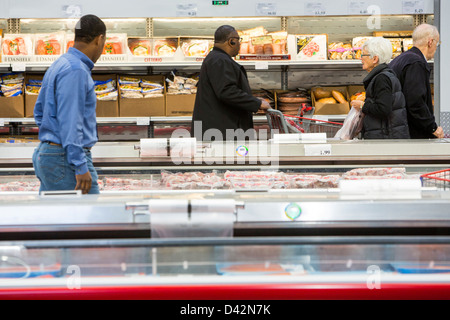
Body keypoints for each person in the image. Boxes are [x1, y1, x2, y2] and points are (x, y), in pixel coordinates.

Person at [32, 14, 106, 194]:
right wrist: (80, 165)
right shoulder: (76, 71)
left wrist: (52, 141)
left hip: (50, 154)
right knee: (92, 216)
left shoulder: (60, 64)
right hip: (66, 160)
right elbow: (70, 122)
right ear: (100, 39)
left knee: (60, 218)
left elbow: (39, 113)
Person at [191, 25, 271, 141]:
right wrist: (257, 103)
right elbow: (227, 91)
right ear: (231, 41)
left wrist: (255, 101)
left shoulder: (217, 58)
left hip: (221, 128)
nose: (240, 44)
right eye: (239, 40)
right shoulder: (220, 60)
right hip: (221, 132)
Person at [389, 23, 444, 139]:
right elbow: (415, 102)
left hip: (397, 128)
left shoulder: (401, 59)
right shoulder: (416, 63)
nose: (436, 48)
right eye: (437, 44)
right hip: (411, 133)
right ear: (430, 42)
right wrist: (432, 128)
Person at [351, 37, 410, 139]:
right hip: (388, 135)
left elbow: (383, 108)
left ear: (375, 59)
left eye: (363, 55)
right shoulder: (386, 75)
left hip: (385, 138)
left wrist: (362, 105)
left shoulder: (381, 79)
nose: (361, 58)